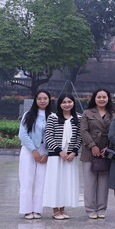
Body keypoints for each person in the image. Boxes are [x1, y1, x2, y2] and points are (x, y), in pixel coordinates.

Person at [42, 94, 82, 220]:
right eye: (64, 102)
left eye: (69, 101)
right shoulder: (53, 117)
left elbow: (79, 137)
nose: (67, 104)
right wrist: (59, 151)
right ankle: (55, 210)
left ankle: (63, 209)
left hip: (70, 157)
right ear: (60, 104)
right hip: (56, 156)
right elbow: (49, 136)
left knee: (66, 183)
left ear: (73, 103)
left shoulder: (78, 118)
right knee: (55, 183)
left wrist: (74, 152)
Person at [18, 90, 55, 220]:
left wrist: (46, 153)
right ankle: (26, 209)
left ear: (49, 100)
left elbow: (52, 136)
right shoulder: (28, 115)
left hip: (45, 151)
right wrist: (33, 151)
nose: (42, 101)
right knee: (26, 180)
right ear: (35, 100)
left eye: (45, 98)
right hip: (28, 150)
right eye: (39, 98)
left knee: (41, 181)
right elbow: (22, 134)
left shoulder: (52, 116)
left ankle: (37, 209)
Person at [79, 88, 114, 219]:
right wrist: (92, 145)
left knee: (104, 182)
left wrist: (109, 147)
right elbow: (83, 131)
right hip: (89, 151)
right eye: (99, 97)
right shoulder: (87, 113)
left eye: (104, 97)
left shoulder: (113, 114)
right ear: (94, 98)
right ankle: (90, 209)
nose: (101, 99)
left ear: (108, 99)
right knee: (89, 181)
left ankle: (101, 208)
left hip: (106, 151)